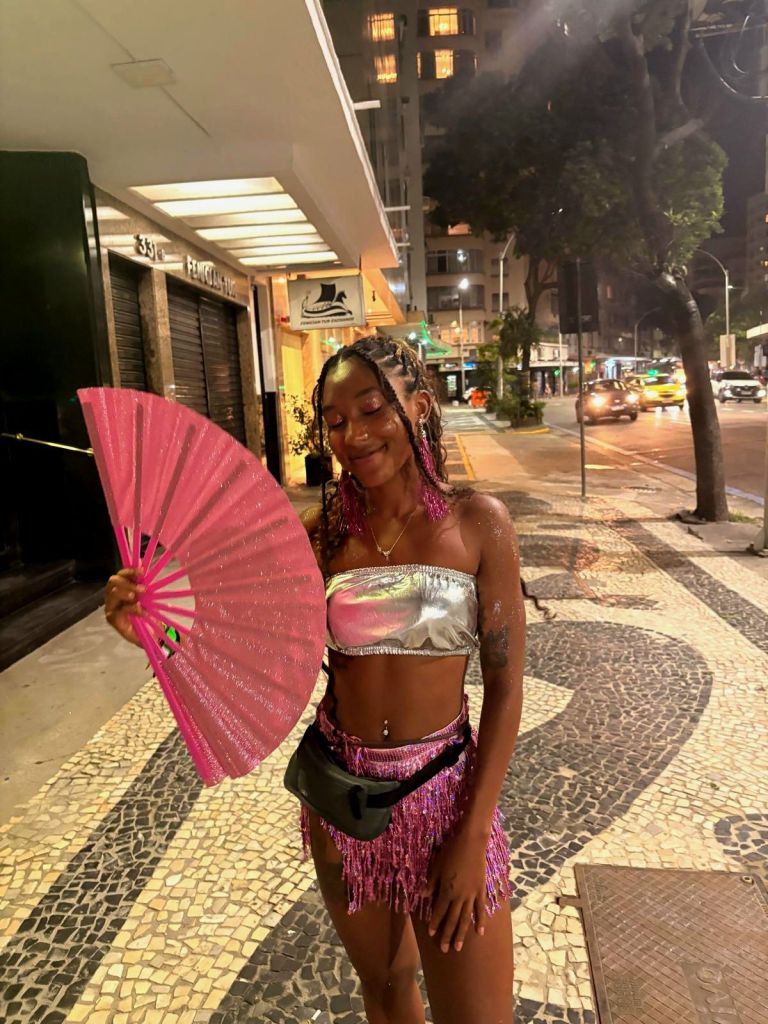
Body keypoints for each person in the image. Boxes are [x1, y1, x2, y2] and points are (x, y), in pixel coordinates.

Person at [104, 334, 525, 1024]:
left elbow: (506, 688)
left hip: (446, 796)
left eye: (372, 410)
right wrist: (154, 628)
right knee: (385, 989)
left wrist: (473, 833)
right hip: (344, 799)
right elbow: (246, 645)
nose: (353, 435)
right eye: (334, 421)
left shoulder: (480, 523)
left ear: (419, 407)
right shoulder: (319, 535)